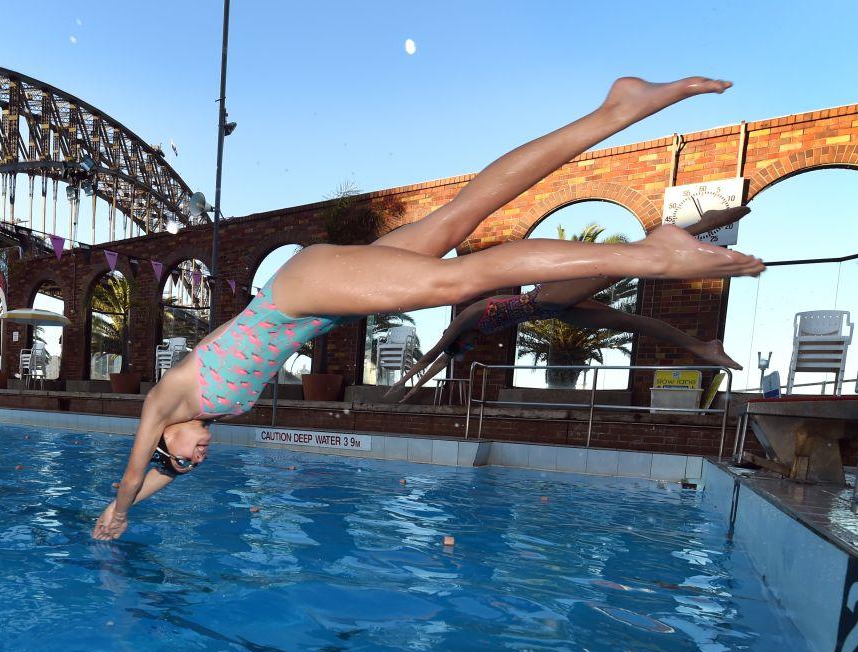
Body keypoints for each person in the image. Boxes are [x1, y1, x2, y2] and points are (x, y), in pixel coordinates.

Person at [93, 76, 765, 540]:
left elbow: (133, 475)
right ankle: (616, 110)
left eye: (186, 457)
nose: (200, 455)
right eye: (195, 463)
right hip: (324, 296)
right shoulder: (204, 413)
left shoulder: (167, 400)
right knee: (461, 216)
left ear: (165, 444)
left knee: (455, 282)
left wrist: (114, 515)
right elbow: (154, 479)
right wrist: (146, 495)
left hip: (302, 289)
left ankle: (650, 256)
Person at [382, 208, 749, 404]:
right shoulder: (465, 340)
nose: (460, 351)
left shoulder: (463, 323)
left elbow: (430, 355)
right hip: (552, 309)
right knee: (633, 322)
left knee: (617, 265)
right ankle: (703, 347)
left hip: (543, 299)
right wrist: (411, 393)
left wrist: (401, 381)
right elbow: (441, 363)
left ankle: (699, 226)